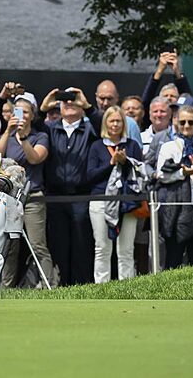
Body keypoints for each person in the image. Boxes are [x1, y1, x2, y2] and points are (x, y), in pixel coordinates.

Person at [0, 93, 54, 288]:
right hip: (10, 198)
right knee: (10, 245)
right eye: (18, 111)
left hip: (33, 196)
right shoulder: (8, 136)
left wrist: (24, 138)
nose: (22, 116)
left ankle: (47, 285)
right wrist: (7, 132)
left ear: (32, 114)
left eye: (26, 112)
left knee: (37, 245)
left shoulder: (40, 136)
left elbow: (35, 158)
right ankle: (5, 287)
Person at [40, 87, 98, 286]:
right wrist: (44, 106)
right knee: (59, 244)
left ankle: (82, 285)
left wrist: (87, 105)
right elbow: (33, 125)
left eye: (73, 100)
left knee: (82, 244)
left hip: (82, 195)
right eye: (65, 101)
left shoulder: (90, 129)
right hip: (55, 196)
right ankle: (63, 285)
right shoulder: (51, 128)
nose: (69, 103)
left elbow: (103, 125)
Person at [86, 106, 143, 283]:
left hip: (126, 201)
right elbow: (90, 176)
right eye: (112, 121)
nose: (115, 124)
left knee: (126, 248)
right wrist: (111, 163)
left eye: (119, 121)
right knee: (102, 248)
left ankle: (127, 286)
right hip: (101, 201)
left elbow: (140, 172)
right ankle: (101, 287)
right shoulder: (96, 146)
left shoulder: (131, 145)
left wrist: (125, 162)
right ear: (106, 123)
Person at [156, 105, 193, 269]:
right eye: (183, 122)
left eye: (191, 122)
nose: (187, 126)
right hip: (177, 207)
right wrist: (182, 173)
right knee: (174, 257)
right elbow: (161, 175)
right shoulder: (169, 147)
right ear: (177, 124)